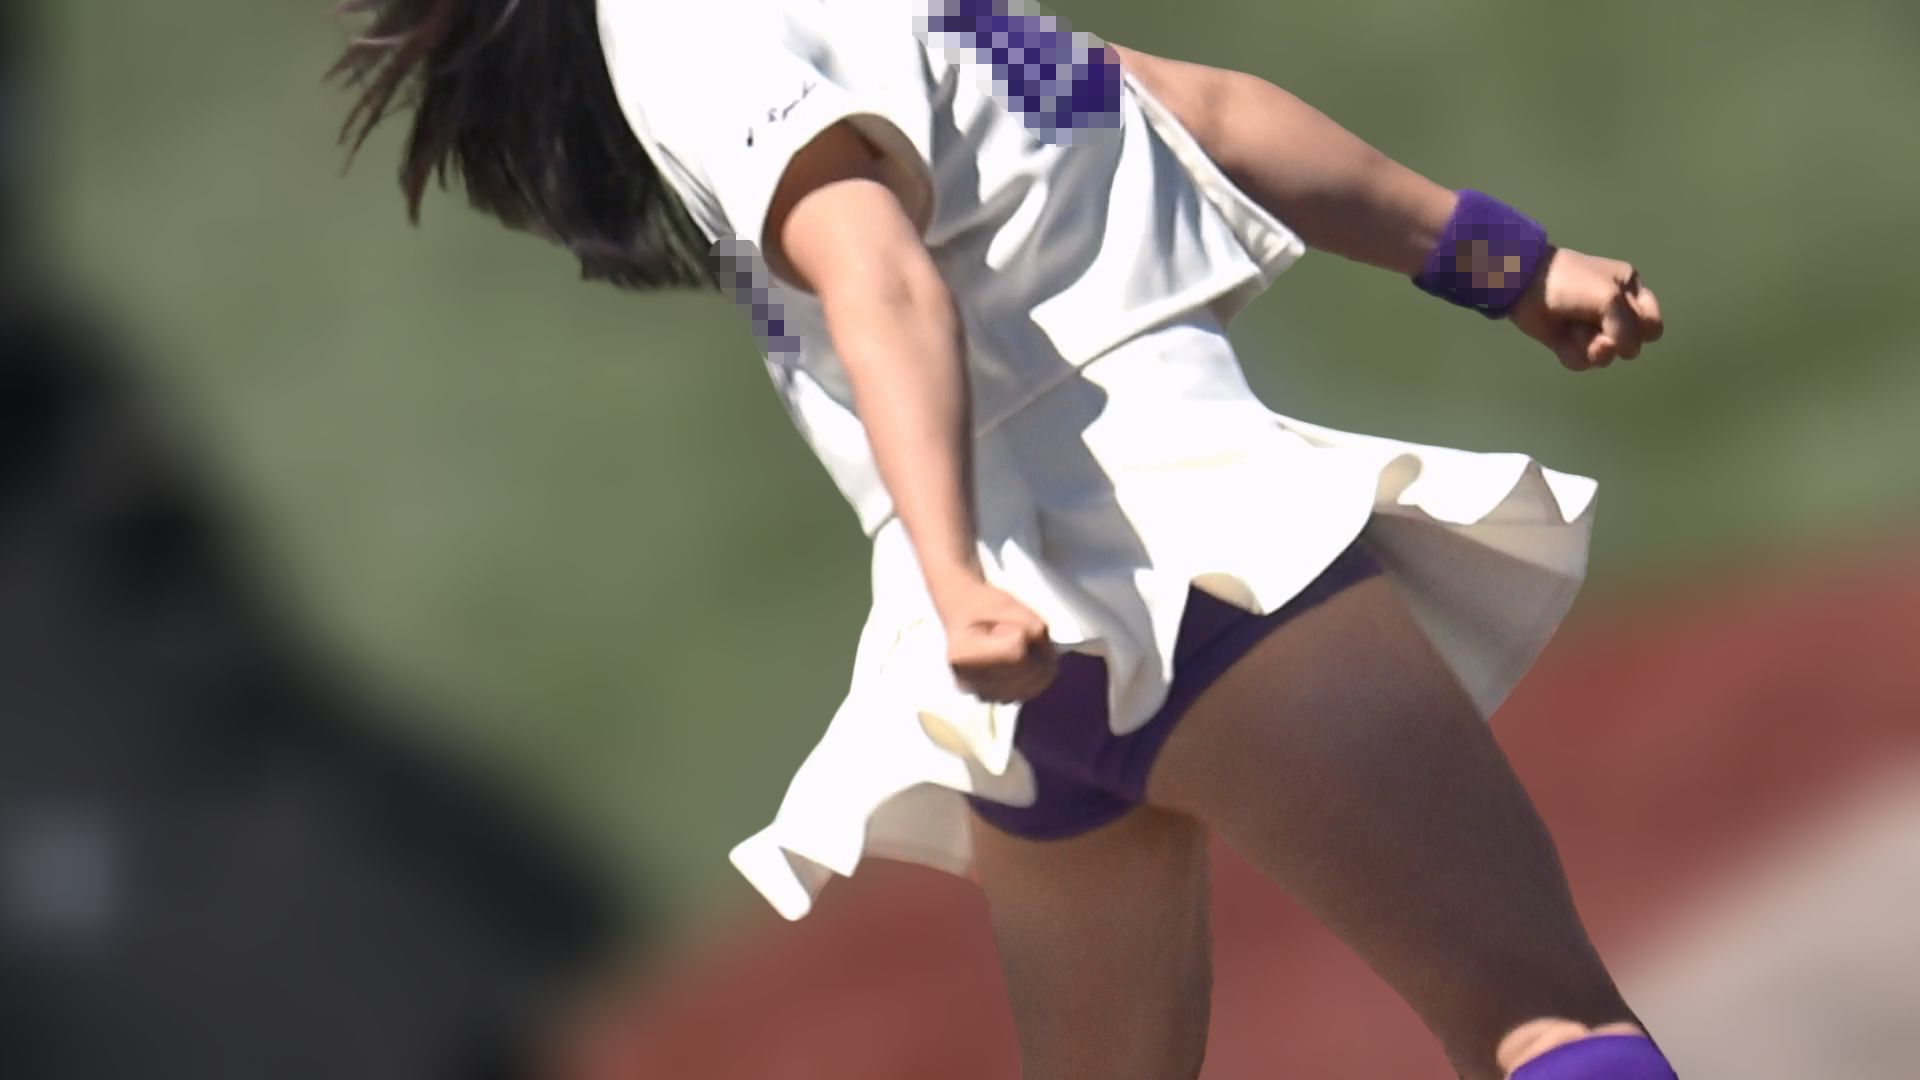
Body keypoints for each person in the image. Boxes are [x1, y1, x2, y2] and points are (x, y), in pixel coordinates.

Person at [331, 1, 1672, 1077]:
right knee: (1541, 1017)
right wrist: (953, 570)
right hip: (1185, 557)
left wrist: (1506, 263)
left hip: (1033, 690)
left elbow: (1184, 112)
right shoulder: (702, 17)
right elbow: (873, 268)